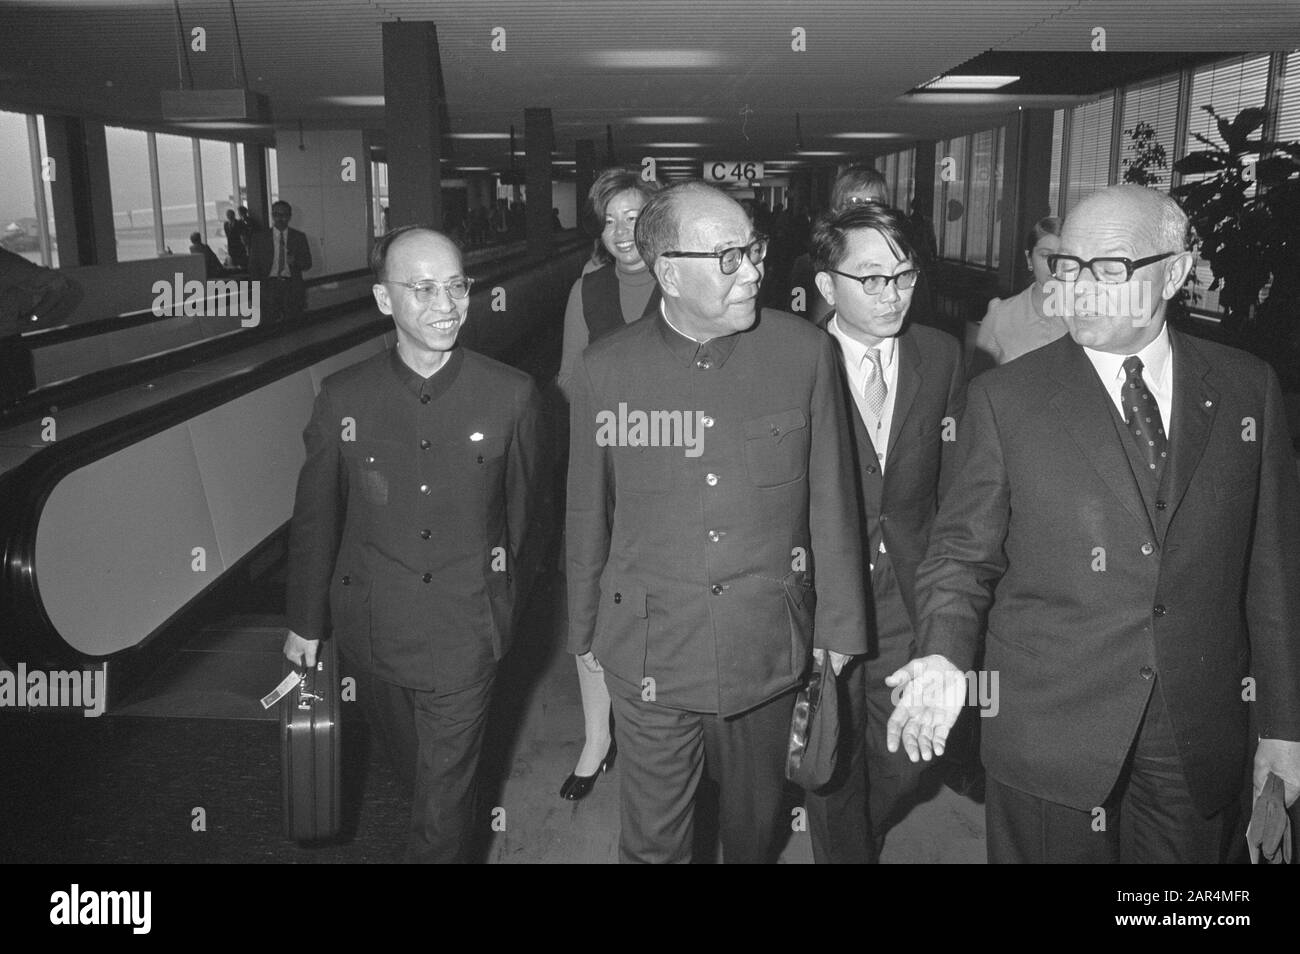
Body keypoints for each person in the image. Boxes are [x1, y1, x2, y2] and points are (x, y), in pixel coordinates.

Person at [886, 185, 1300, 863]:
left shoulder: (1246, 388)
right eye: (1067, 267)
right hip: (1050, 730)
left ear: (1174, 271)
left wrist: (1284, 727)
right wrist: (941, 653)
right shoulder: (1004, 398)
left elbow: (1275, 571)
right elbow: (961, 556)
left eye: (1108, 270)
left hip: (1195, 731)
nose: (1077, 290)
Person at [566, 181, 868, 863]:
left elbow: (832, 501)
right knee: (653, 843)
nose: (755, 271)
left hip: (768, 646)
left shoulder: (804, 353)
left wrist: (839, 629)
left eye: (754, 250)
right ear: (668, 272)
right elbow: (589, 509)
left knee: (752, 833)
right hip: (650, 646)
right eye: (729, 257)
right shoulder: (605, 369)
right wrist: (583, 629)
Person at [283, 226, 541, 863]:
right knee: (420, 780)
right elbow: (317, 518)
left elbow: (529, 520)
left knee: (443, 803)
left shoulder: (511, 394)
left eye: (456, 286)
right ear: (382, 300)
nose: (446, 304)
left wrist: (505, 611)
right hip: (373, 629)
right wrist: (304, 623)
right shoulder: (343, 397)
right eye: (422, 289)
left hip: (466, 633)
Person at [802, 204, 966, 863]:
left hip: (909, 588)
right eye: (870, 277)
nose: (891, 293)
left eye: (903, 275)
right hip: (823, 595)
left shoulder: (943, 354)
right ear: (825, 285)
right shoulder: (793, 357)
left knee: (906, 753)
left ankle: (863, 832)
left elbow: (956, 485)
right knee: (831, 756)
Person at [555, 168, 661, 800]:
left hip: (666, 466)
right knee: (588, 593)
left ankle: (654, 729)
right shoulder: (586, 290)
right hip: (601, 467)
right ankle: (597, 738)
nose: (623, 232)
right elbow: (569, 377)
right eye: (611, 219)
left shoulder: (681, 283)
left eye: (635, 218)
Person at [971, 216, 1066, 375]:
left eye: (1064, 256)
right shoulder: (1001, 314)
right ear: (1029, 259)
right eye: (1045, 256)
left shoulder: (1086, 315)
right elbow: (977, 380)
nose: (1055, 265)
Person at [249, 200, 313, 323]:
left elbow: (308, 264)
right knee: (269, 326)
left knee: (294, 326)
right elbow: (253, 265)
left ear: (289, 216)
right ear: (272, 215)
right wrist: (259, 288)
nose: (280, 218)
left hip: (292, 287)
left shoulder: (299, 237)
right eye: (276, 214)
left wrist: (295, 262)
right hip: (269, 287)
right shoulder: (260, 238)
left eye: (284, 215)